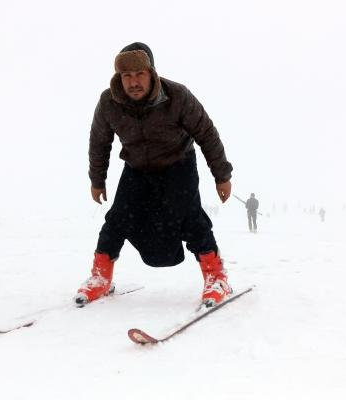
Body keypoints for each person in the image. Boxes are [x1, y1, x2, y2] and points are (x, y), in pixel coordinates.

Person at [74, 42, 233, 308]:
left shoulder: (177, 96)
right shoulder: (109, 102)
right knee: (118, 217)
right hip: (137, 168)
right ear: (119, 78)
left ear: (152, 73)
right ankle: (100, 277)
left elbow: (206, 133)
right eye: (127, 76)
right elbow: (99, 141)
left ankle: (216, 277)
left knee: (190, 215)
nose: (133, 82)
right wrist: (97, 180)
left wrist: (221, 175)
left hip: (178, 164)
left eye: (139, 74)